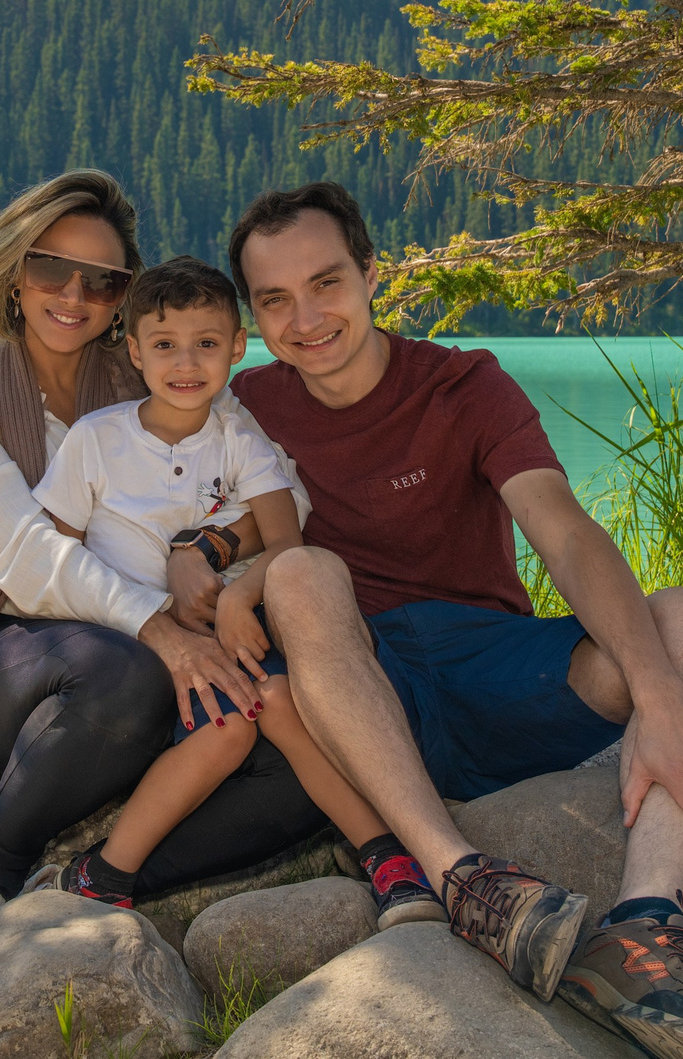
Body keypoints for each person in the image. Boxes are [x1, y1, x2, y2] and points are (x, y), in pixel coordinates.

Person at [226, 181, 683, 1059]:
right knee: (303, 571)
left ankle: (646, 931)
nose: (305, 317)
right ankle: (463, 879)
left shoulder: (463, 382)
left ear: (370, 274)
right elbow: (194, 525)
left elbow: (562, 528)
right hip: (362, 695)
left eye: (326, 283)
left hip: (498, 675)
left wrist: (659, 698)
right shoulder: (248, 408)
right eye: (274, 299)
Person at [0, 172, 322, 952]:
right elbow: (27, 559)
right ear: (12, 276)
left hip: (167, 643)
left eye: (101, 279)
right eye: (49, 268)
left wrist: (207, 547)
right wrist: (162, 629)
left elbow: (278, 486)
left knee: (302, 743)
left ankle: (99, 876)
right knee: (124, 674)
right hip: (26, 657)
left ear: (124, 299)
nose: (73, 293)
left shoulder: (164, 377)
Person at [27, 255, 439, 926]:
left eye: (207, 344)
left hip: (223, 638)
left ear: (237, 347)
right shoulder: (96, 439)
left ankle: (388, 858)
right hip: (130, 640)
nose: (185, 363)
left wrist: (233, 598)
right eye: (164, 345)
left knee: (275, 699)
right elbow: (53, 551)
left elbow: (287, 546)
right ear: (134, 351)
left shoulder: (239, 436)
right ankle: (104, 873)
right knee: (227, 729)